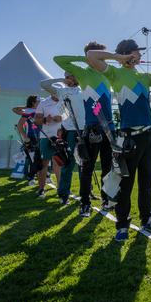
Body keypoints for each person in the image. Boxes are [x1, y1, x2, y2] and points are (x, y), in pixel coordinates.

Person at [86, 38, 151, 242]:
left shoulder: (145, 76)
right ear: (128, 54)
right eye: (137, 52)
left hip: (148, 136)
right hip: (129, 138)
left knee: (146, 183)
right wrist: (119, 58)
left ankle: (147, 219)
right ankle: (122, 225)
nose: (140, 55)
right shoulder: (115, 74)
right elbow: (91, 56)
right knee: (125, 185)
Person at [54, 42, 114, 217]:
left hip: (109, 128)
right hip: (92, 128)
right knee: (87, 169)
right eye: (98, 55)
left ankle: (106, 200)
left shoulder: (107, 73)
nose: (102, 57)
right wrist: (85, 58)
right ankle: (85, 204)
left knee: (108, 168)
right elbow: (58, 59)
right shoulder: (83, 73)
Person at [41, 72, 87, 205]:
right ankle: (64, 194)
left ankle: (86, 193)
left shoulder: (84, 89)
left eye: (72, 75)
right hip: (70, 131)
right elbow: (43, 84)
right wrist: (63, 80)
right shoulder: (62, 91)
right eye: (67, 76)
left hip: (85, 129)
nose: (70, 78)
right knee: (68, 163)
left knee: (85, 163)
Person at [34, 92, 64, 199]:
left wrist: (61, 118)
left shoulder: (64, 100)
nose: (57, 93)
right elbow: (36, 120)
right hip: (45, 136)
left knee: (59, 163)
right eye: (54, 91)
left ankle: (61, 190)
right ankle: (41, 189)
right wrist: (46, 120)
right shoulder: (43, 103)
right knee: (43, 163)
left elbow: (68, 116)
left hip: (60, 136)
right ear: (51, 91)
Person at [13, 95, 41, 186]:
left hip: (41, 137)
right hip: (31, 137)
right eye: (38, 101)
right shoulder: (28, 111)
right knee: (32, 158)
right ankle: (31, 178)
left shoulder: (40, 110)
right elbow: (20, 125)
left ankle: (44, 175)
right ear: (33, 103)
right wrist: (25, 137)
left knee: (42, 157)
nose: (40, 103)